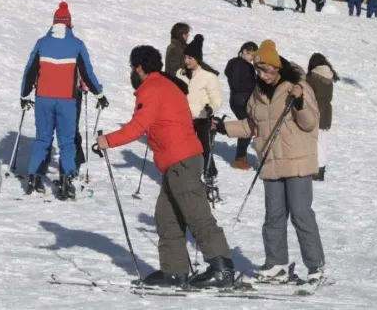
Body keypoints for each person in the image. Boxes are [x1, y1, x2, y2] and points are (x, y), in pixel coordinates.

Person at [96, 45, 236, 289]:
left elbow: (139, 125)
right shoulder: (165, 84)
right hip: (176, 161)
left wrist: (107, 140)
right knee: (166, 216)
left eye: (132, 66)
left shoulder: (152, 88)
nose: (131, 71)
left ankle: (221, 269)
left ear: (139, 67)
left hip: (181, 159)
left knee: (197, 214)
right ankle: (174, 271)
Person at [213, 40, 325, 284]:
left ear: (276, 67)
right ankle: (276, 263)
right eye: (259, 71)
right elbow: (252, 126)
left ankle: (315, 265)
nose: (262, 76)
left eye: (266, 70)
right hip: (270, 162)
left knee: (301, 213)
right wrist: (223, 127)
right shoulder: (256, 95)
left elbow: (309, 123)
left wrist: (299, 102)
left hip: (297, 161)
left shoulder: (297, 86)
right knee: (273, 216)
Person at [20, 2, 108, 200]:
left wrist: (24, 95)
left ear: (53, 23)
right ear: (69, 24)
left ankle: (34, 179)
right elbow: (87, 73)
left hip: (43, 98)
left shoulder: (42, 43)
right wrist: (99, 94)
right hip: (67, 101)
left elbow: (30, 71)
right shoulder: (77, 45)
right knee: (67, 142)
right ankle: (66, 182)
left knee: (42, 139)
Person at [175, 35, 223, 202]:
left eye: (191, 58)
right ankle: (187, 179)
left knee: (205, 150)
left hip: (203, 118)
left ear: (198, 59)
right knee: (185, 150)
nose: (187, 61)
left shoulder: (208, 76)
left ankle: (211, 180)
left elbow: (216, 99)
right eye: (186, 57)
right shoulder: (180, 74)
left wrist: (211, 108)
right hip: (185, 119)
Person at [224, 42, 258, 170]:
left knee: (248, 128)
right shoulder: (236, 64)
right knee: (246, 128)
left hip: (245, 100)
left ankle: (241, 157)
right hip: (239, 101)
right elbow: (236, 85)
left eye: (253, 55)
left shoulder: (248, 66)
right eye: (250, 54)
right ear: (243, 51)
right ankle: (239, 158)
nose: (251, 57)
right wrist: (251, 86)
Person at [306, 53, 339, 182]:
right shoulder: (328, 75)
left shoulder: (312, 77)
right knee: (323, 140)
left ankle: (317, 170)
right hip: (326, 111)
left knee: (316, 141)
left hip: (315, 110)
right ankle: (322, 168)